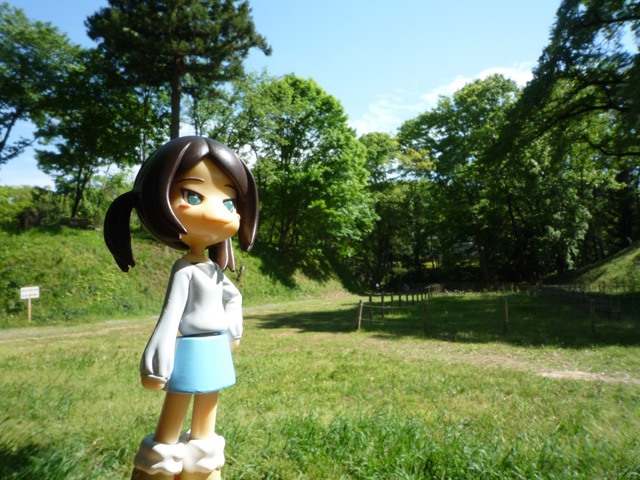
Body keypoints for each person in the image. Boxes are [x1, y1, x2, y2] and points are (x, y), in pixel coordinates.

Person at [104, 136, 259, 480]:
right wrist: (156, 358)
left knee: (208, 407)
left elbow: (234, 296)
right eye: (193, 196)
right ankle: (158, 464)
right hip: (189, 347)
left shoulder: (214, 269)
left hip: (216, 346)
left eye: (230, 202)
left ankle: (202, 466)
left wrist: (234, 327)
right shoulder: (185, 270)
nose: (219, 211)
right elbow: (170, 315)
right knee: (177, 403)